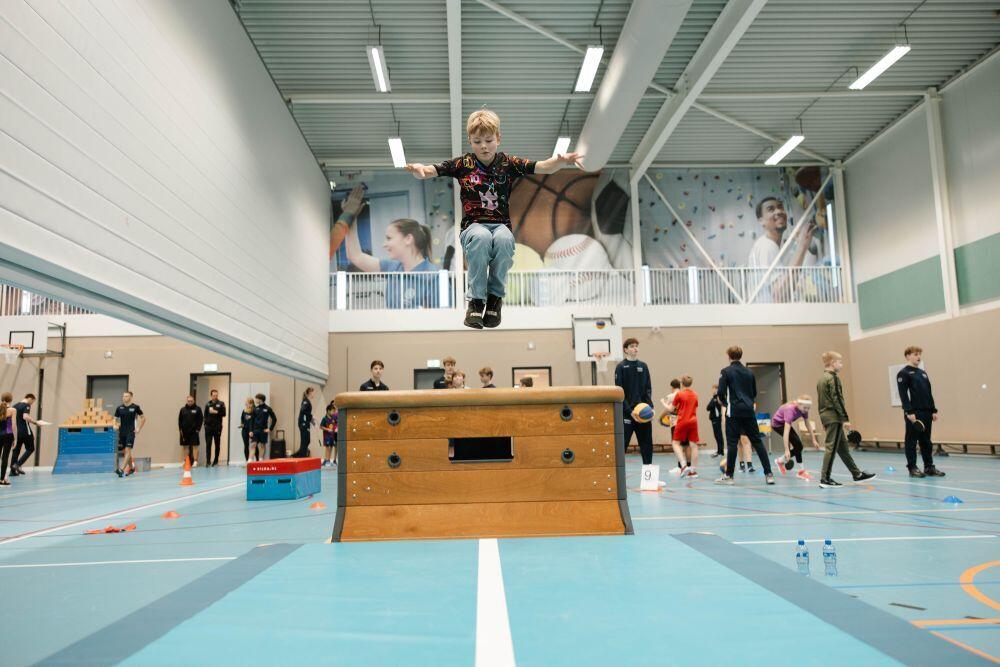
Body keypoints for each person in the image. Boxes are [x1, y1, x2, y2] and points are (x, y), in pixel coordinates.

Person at [406, 108, 584, 329]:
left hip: (500, 226)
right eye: (477, 141)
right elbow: (432, 170)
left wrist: (561, 161)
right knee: (481, 237)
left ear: (498, 139)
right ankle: (476, 301)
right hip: (473, 227)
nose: (483, 146)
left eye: (489, 140)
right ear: (470, 141)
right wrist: (419, 170)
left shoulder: (507, 163)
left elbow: (543, 167)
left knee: (504, 240)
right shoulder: (463, 165)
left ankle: (494, 299)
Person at [345, 214, 439, 309]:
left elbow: (446, 319)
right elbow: (355, 256)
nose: (384, 245)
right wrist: (349, 216)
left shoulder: (434, 278)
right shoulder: (393, 268)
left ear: (408, 239)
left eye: (389, 238)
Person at [714, 346, 774, 486]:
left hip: (734, 412)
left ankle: (729, 476)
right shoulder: (749, 372)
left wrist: (725, 405)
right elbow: (753, 393)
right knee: (757, 442)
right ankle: (769, 474)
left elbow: (721, 393)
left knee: (732, 443)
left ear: (728, 355)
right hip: (748, 411)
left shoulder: (726, 372)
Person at [816, 351, 876, 488]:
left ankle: (857, 474)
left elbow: (821, 402)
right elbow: (837, 399)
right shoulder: (833, 378)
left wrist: (823, 421)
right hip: (834, 417)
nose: (841, 365)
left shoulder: (821, 379)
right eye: (840, 362)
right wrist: (845, 419)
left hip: (826, 416)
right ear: (832, 363)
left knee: (842, 448)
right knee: (831, 447)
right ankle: (825, 479)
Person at [747, 197, 818, 302]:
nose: (779, 211)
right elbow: (779, 294)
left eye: (780, 207)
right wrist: (802, 246)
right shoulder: (766, 246)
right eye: (771, 209)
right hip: (769, 316)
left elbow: (786, 288)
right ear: (761, 221)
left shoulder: (770, 246)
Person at [897, 346, 945, 478]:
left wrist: (933, 409)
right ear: (907, 356)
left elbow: (928, 392)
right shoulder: (903, 373)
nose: (918, 357)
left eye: (919, 354)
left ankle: (929, 467)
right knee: (911, 441)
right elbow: (903, 395)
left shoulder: (922, 373)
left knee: (926, 441)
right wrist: (909, 411)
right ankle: (912, 468)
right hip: (914, 413)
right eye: (915, 354)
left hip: (927, 413)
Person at [615, 338, 658, 480]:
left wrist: (650, 408)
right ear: (625, 349)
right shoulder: (621, 367)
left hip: (643, 414)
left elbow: (648, 390)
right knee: (622, 447)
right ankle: (618, 479)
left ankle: (649, 479)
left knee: (646, 446)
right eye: (632, 346)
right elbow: (619, 392)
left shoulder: (643, 366)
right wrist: (629, 411)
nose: (635, 348)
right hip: (628, 415)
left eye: (637, 346)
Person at [772, 395, 820, 480]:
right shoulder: (790, 410)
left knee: (798, 446)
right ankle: (801, 471)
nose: (806, 410)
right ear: (799, 404)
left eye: (808, 408)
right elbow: (786, 432)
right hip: (777, 425)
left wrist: (814, 439)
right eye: (805, 408)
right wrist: (787, 449)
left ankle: (780, 461)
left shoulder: (804, 409)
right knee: (799, 445)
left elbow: (807, 424)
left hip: (784, 424)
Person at [671, 376, 700, 479]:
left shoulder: (679, 394)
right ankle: (693, 471)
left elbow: (671, 408)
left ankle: (683, 465)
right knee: (694, 445)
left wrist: (664, 404)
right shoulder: (695, 394)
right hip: (693, 421)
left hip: (682, 420)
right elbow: (695, 406)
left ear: (682, 384)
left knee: (675, 443)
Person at [114, 391, 146, 477]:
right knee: (126, 452)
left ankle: (121, 469)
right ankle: (132, 468)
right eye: (123, 396)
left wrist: (139, 428)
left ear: (131, 397)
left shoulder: (135, 407)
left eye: (127, 396)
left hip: (131, 432)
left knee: (128, 450)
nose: (124, 398)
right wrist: (115, 425)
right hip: (122, 432)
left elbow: (143, 418)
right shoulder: (119, 408)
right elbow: (115, 419)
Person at [10, 393, 38, 476]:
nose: (32, 403)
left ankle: (12, 471)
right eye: (32, 401)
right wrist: (35, 422)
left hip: (16, 432)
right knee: (31, 448)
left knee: (16, 451)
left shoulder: (14, 406)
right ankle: (17, 465)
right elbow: (25, 416)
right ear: (30, 398)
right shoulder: (26, 405)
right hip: (25, 431)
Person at [250, 393, 277, 462]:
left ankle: (261, 460)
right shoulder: (255, 409)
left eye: (256, 399)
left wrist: (270, 429)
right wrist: (251, 431)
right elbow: (252, 421)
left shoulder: (268, 408)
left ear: (260, 399)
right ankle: (250, 461)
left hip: (263, 430)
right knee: (253, 445)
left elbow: (274, 419)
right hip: (255, 430)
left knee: (262, 446)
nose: (255, 400)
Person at [178, 395, 203, 466]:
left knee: (195, 446)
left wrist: (198, 429)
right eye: (188, 401)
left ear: (194, 401)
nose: (190, 402)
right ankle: (186, 461)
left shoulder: (198, 409)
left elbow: (200, 420)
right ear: (186, 401)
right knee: (185, 447)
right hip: (185, 432)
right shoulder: (182, 409)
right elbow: (180, 420)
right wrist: (180, 430)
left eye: (191, 401)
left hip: (194, 432)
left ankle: (195, 461)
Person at [204, 389, 226, 467]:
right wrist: (205, 425)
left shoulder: (221, 403)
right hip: (208, 427)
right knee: (208, 444)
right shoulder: (207, 404)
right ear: (211, 395)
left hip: (217, 427)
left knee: (217, 444)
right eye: (214, 395)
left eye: (216, 395)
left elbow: (224, 414)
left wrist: (216, 412)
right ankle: (208, 461)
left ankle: (216, 461)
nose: (215, 396)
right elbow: (205, 415)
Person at [296, 388, 316, 458]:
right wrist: (311, 416)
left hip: (306, 423)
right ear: (309, 393)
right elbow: (303, 410)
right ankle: (301, 457)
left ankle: (300, 456)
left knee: (307, 440)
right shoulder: (305, 402)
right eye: (313, 393)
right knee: (305, 440)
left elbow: (307, 413)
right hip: (303, 423)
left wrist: (311, 419)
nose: (314, 394)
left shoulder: (308, 401)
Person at [0, 393, 15, 486]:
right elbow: (13, 425)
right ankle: (2, 479)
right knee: (5, 457)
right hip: (8, 435)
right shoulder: (12, 410)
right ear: (11, 400)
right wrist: (15, 438)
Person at [706, 385, 724, 458]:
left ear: (716, 389)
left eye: (713, 389)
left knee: (719, 435)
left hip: (717, 418)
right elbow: (707, 408)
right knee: (716, 435)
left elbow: (712, 406)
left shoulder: (717, 398)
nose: (712, 390)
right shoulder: (713, 398)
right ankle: (719, 450)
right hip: (714, 418)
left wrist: (715, 401)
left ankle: (721, 451)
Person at [320, 402, 338, 468]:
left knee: (331, 448)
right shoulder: (324, 419)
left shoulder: (333, 418)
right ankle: (327, 460)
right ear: (328, 411)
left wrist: (336, 429)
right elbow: (321, 426)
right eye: (333, 411)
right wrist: (327, 429)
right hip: (327, 436)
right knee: (327, 448)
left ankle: (329, 460)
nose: (333, 413)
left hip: (332, 436)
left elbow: (335, 425)